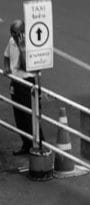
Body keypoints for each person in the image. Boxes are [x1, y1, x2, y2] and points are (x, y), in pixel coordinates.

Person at [3, 19, 34, 155]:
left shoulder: (30, 44)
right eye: (11, 32)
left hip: (27, 82)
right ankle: (26, 145)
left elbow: (27, 66)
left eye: (15, 33)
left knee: (30, 116)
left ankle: (38, 144)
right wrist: (6, 67)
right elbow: (6, 55)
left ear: (22, 32)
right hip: (15, 82)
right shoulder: (11, 41)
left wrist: (22, 48)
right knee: (19, 116)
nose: (12, 35)